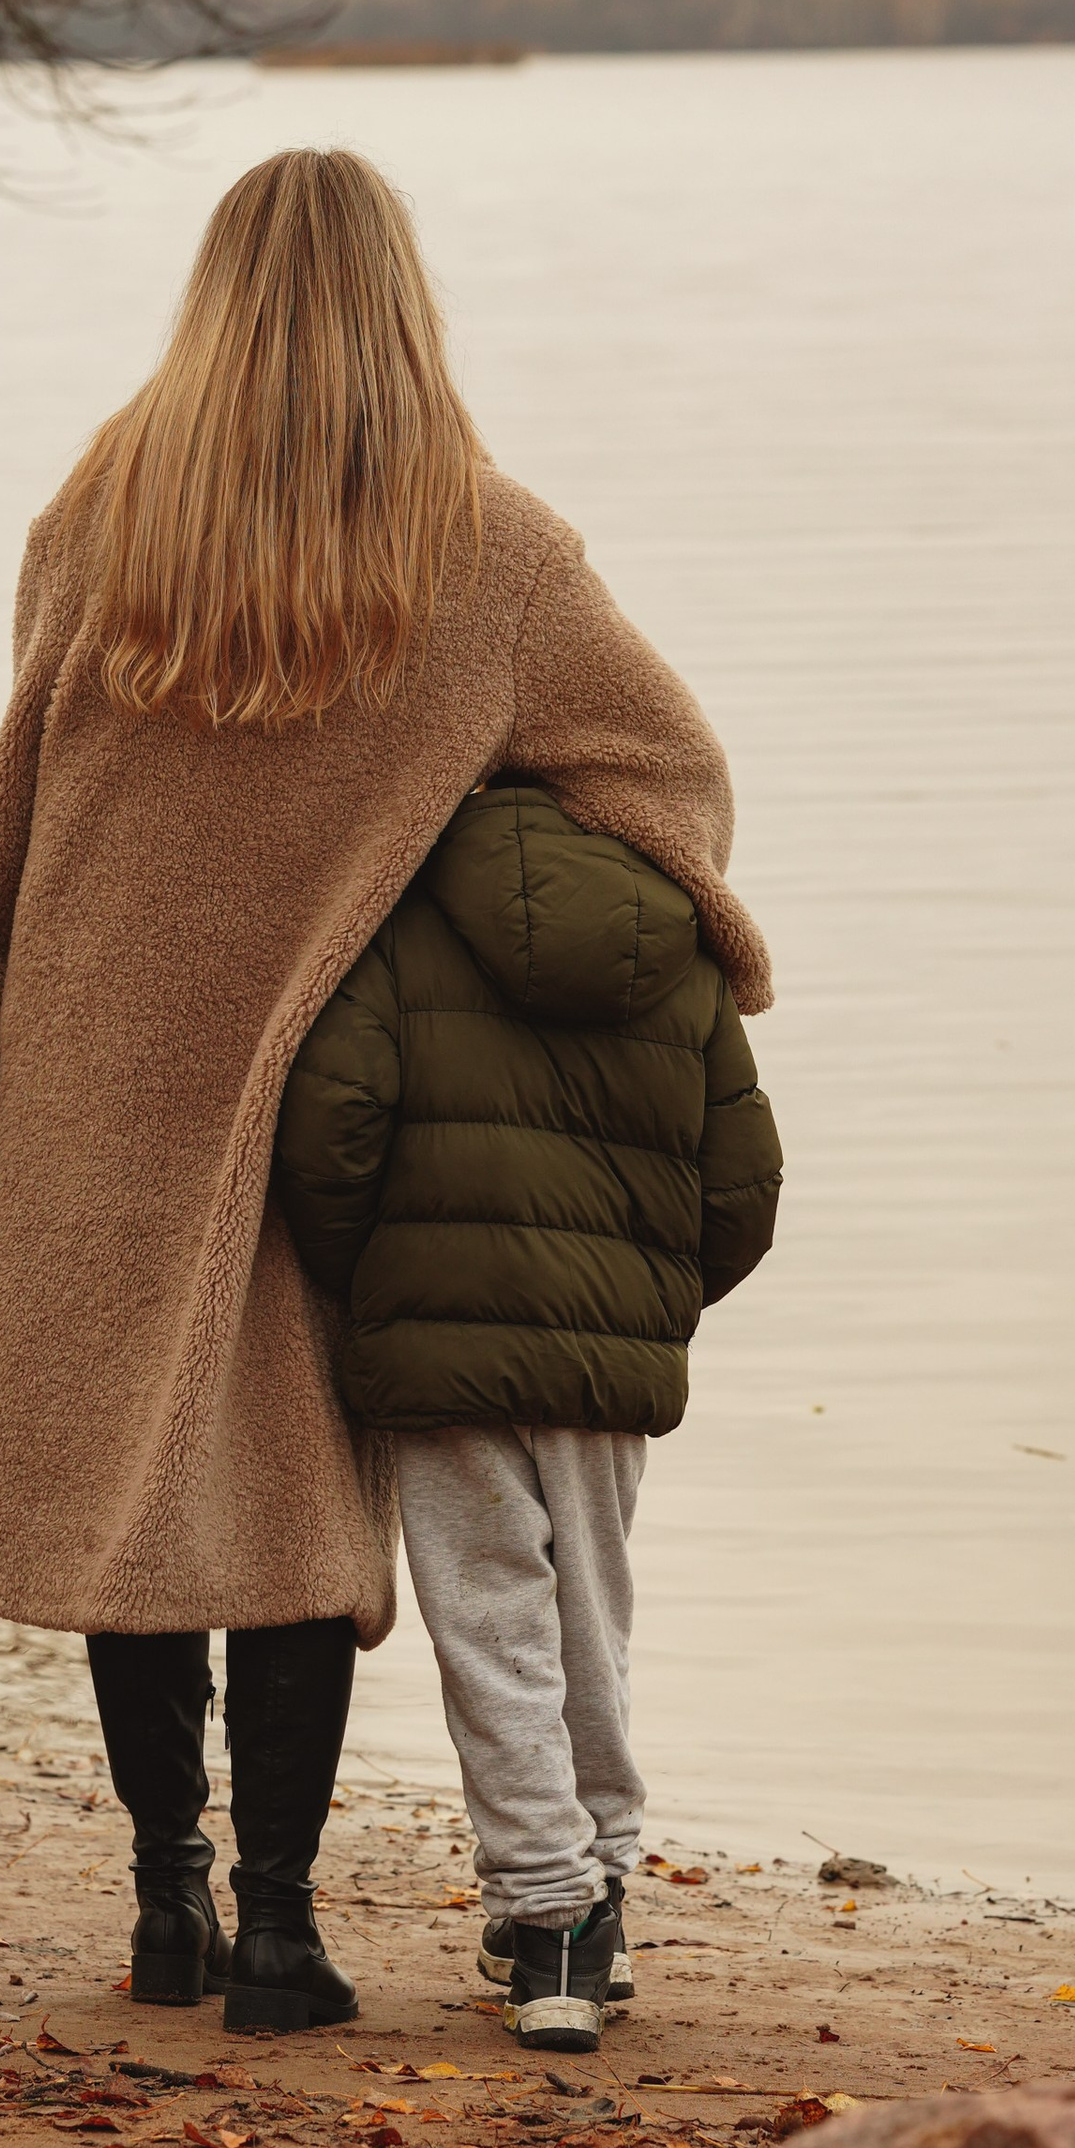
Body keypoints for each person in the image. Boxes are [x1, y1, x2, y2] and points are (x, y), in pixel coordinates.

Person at [0, 149, 770, 2038]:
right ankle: (284, 1932)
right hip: (317, 1074)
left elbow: (22, 781)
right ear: (405, 304)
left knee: (137, 1507)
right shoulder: (490, 551)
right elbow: (672, 787)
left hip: (101, 1056)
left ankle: (167, 1910)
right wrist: (462, 859)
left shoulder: (95, 515)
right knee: (298, 1508)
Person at [272, 779, 782, 2052]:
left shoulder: (397, 919)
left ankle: (549, 1913)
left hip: (441, 1338)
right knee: (590, 1617)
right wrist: (651, 1300)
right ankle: (596, 1889)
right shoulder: (682, 942)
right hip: (608, 1358)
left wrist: (378, 1282)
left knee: (492, 1628)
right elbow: (744, 1186)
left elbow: (332, 1135)